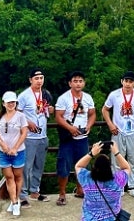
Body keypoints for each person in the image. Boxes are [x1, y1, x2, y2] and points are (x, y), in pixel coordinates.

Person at [103, 70, 134, 199]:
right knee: (117, 159)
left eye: (131, 81)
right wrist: (110, 124)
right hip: (118, 130)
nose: (128, 84)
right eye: (126, 81)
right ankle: (119, 186)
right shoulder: (114, 95)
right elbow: (105, 109)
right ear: (122, 81)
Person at [55, 70, 97, 206]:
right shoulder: (63, 98)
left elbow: (92, 114)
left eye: (80, 81)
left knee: (83, 165)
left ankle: (81, 190)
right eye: (75, 81)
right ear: (70, 83)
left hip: (83, 137)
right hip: (68, 137)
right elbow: (58, 117)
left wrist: (89, 126)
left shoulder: (88, 98)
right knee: (64, 165)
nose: (78, 84)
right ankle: (62, 193)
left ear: (84, 83)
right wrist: (70, 128)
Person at [18, 68, 54, 203]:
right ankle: (22, 195)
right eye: (36, 79)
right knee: (26, 166)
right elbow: (16, 114)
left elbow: (47, 111)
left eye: (41, 78)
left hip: (42, 135)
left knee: (39, 165)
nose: (39, 81)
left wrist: (51, 109)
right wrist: (27, 122)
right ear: (30, 80)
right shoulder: (24, 96)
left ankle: (35, 191)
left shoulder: (45, 94)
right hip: (29, 137)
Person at [75, 139, 131, 221]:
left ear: (94, 167)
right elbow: (126, 168)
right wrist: (116, 153)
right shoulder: (118, 181)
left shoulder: (87, 179)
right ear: (109, 167)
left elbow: (78, 166)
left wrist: (91, 153)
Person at [0, 91, 29, 217]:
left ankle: (15, 199)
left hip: (18, 151)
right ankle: (14, 202)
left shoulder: (20, 116)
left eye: (13, 102)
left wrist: (15, 147)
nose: (11, 104)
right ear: (3, 103)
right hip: (4, 151)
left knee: (18, 176)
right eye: (9, 102)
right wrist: (3, 146)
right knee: (9, 176)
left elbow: (24, 133)